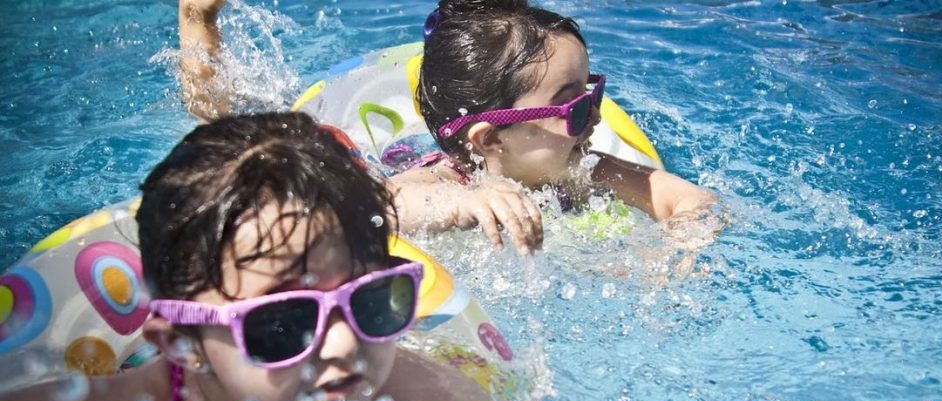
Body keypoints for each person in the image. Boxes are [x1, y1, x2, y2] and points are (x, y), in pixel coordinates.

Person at [0, 112, 498, 401]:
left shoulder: (411, 394)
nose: (346, 343)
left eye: (370, 302)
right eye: (283, 323)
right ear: (180, 342)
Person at [177, 0, 718, 257]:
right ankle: (198, 20)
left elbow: (688, 200)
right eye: (573, 108)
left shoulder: (585, 170)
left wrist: (675, 253)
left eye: (592, 94)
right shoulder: (442, 184)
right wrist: (460, 207)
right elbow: (366, 213)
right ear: (488, 139)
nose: (595, 119)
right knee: (234, 135)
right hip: (382, 157)